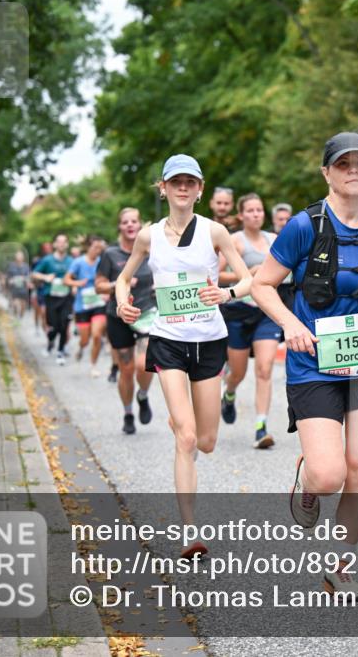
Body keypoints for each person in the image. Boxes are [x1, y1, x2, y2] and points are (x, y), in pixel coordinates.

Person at [252, 132, 358, 596]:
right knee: (330, 476)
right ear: (327, 172)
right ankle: (308, 477)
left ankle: (337, 562)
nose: (352, 170)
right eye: (342, 163)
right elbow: (262, 285)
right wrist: (288, 324)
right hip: (313, 360)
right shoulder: (304, 226)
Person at [116, 154, 252, 557]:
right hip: (168, 341)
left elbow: (248, 279)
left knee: (207, 441)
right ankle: (189, 531)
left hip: (209, 341)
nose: (182, 187)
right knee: (186, 436)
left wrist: (226, 294)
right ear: (163, 187)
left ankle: (194, 450)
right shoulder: (148, 235)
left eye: (190, 182)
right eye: (175, 181)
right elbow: (124, 279)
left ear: (200, 189)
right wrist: (123, 304)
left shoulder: (215, 232)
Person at [218, 193, 284, 449]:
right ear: (242, 215)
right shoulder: (235, 241)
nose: (256, 214)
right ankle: (230, 393)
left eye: (259, 210)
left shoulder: (275, 240)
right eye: (251, 210)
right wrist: (248, 274)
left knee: (265, 369)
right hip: (238, 312)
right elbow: (216, 275)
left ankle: (261, 427)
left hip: (266, 312)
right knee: (238, 372)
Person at [96, 208, 157, 435]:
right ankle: (128, 412)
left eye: (134, 221)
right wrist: (117, 284)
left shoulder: (151, 252)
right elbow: (98, 285)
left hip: (147, 313)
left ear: (140, 225)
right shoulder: (110, 254)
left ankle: (142, 395)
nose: (130, 225)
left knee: (144, 364)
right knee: (127, 368)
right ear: (119, 226)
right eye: (125, 222)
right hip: (118, 314)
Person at [65, 235, 108, 377]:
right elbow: (67, 279)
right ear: (88, 247)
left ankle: (93, 366)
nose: (97, 251)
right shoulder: (78, 262)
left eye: (99, 248)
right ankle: (81, 348)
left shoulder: (102, 262)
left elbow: (110, 278)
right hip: (82, 305)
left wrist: (107, 292)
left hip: (98, 303)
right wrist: (77, 284)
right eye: (95, 247)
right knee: (84, 340)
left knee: (96, 336)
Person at [32, 234, 74, 365]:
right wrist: (45, 278)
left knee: (65, 324)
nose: (61, 244)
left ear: (67, 244)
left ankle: (60, 351)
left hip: (66, 297)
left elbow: (76, 276)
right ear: (55, 244)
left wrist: (73, 285)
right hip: (51, 297)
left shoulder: (71, 261)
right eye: (59, 242)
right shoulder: (47, 260)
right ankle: (50, 342)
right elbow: (34, 274)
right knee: (54, 326)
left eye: (64, 242)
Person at [6, 250, 31, 319]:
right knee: (15, 304)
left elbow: (29, 276)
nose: (19, 258)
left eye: (20, 256)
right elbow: (8, 276)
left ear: (23, 258)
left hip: (23, 289)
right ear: (15, 257)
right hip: (14, 288)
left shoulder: (26, 266)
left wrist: (27, 281)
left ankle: (20, 315)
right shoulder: (11, 266)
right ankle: (16, 316)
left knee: (23, 306)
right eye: (17, 256)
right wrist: (9, 281)